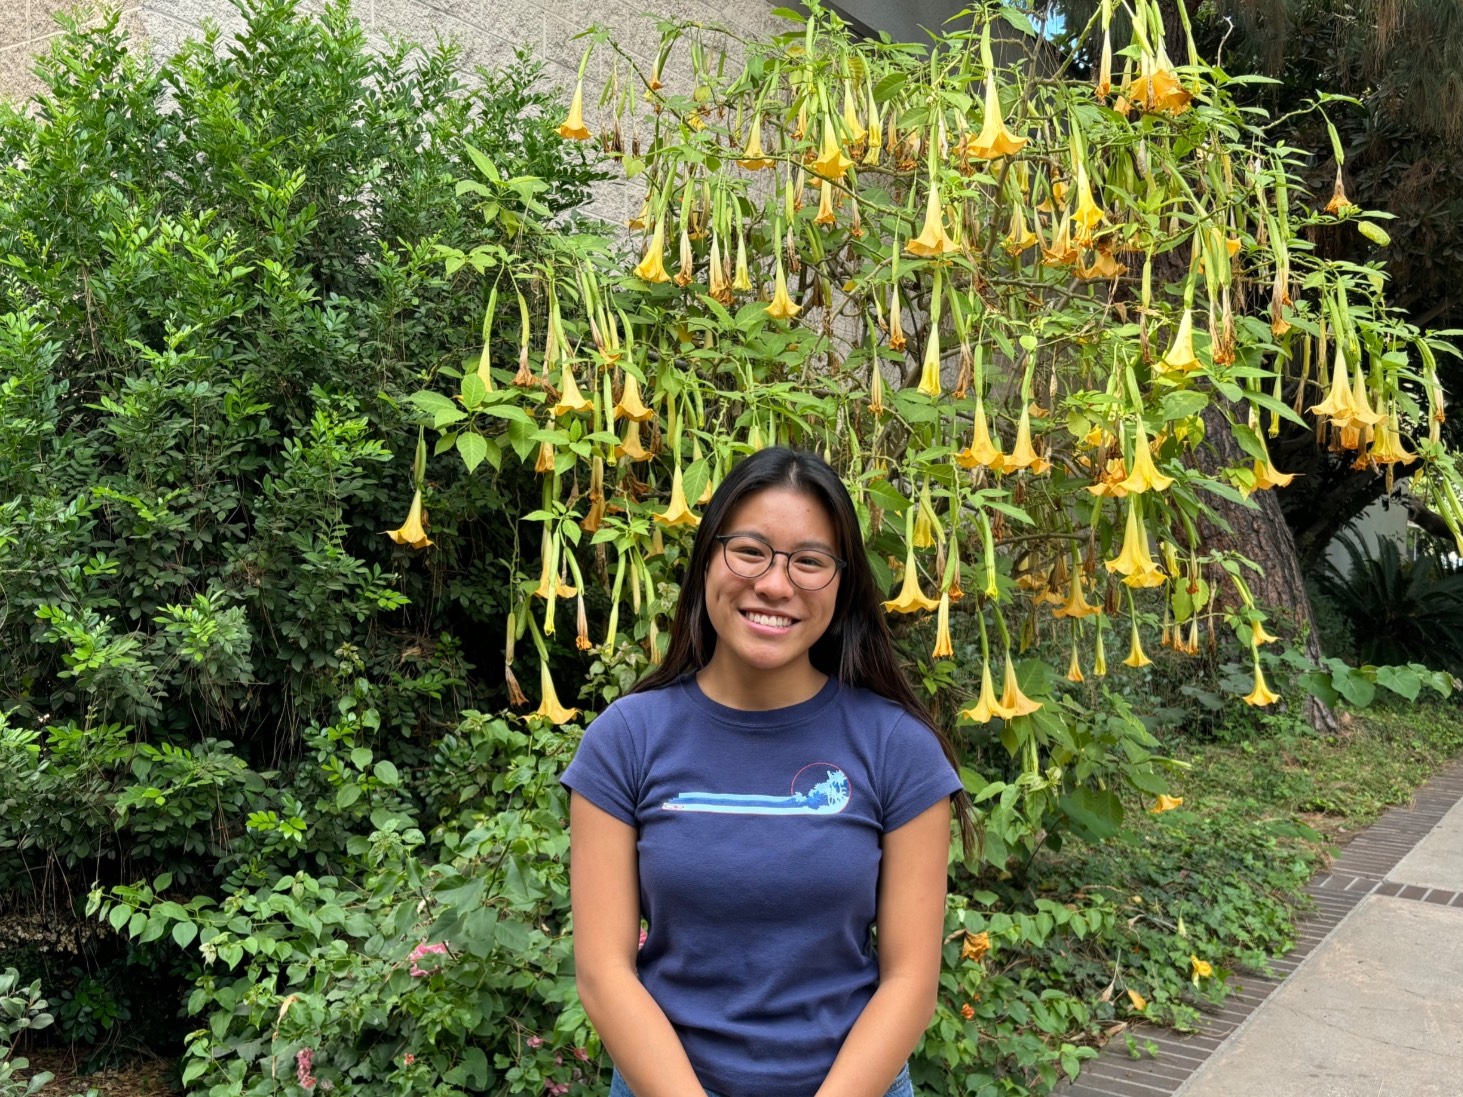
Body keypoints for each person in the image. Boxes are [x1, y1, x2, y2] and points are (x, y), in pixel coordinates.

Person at [562, 447, 973, 1097]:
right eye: (749, 550)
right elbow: (603, 971)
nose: (775, 584)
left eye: (809, 561)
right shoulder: (626, 740)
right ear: (707, 559)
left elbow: (909, 981)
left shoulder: (899, 749)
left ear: (840, 585)